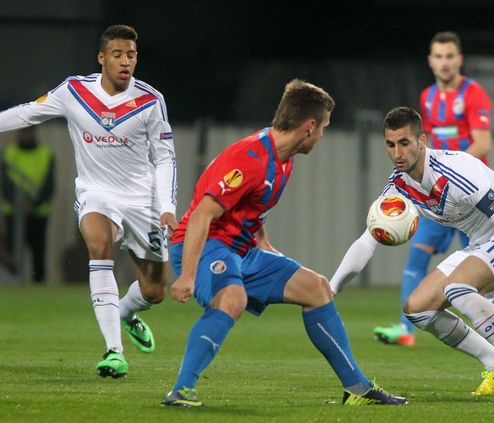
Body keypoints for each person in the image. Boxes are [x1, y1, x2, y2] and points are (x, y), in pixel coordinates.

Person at [0, 24, 178, 378]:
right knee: (98, 247)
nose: (126, 62)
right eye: (118, 54)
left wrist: (167, 207)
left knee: (155, 291)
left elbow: (166, 158)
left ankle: (124, 311)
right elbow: (23, 113)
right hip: (96, 193)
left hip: (142, 202)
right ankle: (114, 351)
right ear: (102, 58)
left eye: (132, 55)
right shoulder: (74, 91)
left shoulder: (150, 101)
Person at [162, 80, 406, 408]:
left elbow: (253, 213)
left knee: (317, 288)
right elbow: (202, 215)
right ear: (309, 126)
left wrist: (269, 251)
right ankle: (181, 390)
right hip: (205, 245)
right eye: (323, 128)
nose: (322, 135)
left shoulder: (284, 160)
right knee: (232, 299)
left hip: (242, 251)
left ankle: (357, 387)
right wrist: (188, 274)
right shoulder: (248, 158)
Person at [331, 106, 494, 400]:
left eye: (404, 142)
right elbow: (366, 241)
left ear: (422, 141)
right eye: (390, 144)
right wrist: (332, 288)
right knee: (417, 307)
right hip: (481, 243)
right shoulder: (398, 186)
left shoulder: (456, 171)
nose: (397, 152)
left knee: (457, 288)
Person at [373, 32, 494, 348]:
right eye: (438, 57)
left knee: (490, 265)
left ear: (459, 59)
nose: (444, 63)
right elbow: (423, 145)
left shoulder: (473, 94)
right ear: (430, 61)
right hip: (434, 198)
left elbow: (483, 143)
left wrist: (451, 180)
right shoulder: (428, 97)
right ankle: (406, 329)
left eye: (449, 56)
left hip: (467, 200)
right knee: (416, 259)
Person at [0, 126, 55, 284]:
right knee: (12, 253)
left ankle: (39, 288)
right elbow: (4, 184)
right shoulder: (8, 153)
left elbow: (49, 185)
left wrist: (33, 205)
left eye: (30, 131)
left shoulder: (46, 153)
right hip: (13, 212)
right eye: (24, 131)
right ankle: (12, 284)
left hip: (39, 213)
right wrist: (19, 204)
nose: (27, 134)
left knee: (38, 253)